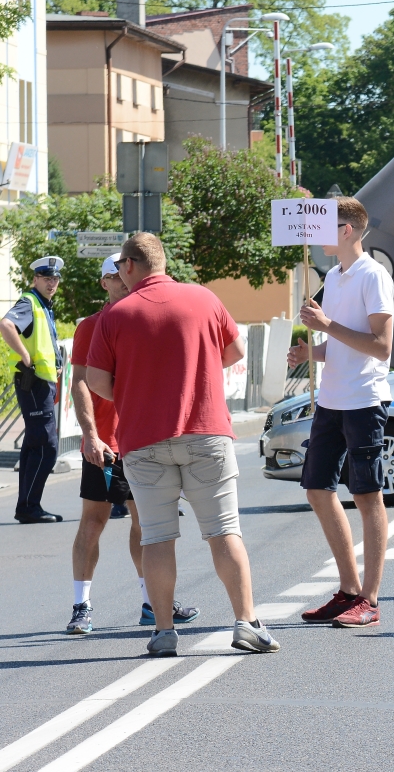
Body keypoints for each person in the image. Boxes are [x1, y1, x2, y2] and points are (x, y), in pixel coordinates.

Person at [87, 232, 277, 656]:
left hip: (144, 440)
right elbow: (235, 350)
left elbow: (96, 380)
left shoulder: (116, 314)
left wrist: (137, 393)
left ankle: (164, 632)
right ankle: (247, 623)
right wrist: (195, 375)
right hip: (206, 431)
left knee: (156, 537)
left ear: (129, 265)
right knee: (224, 531)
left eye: (120, 267)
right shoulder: (204, 298)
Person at [66, 254, 200, 635]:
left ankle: (151, 603)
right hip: (106, 443)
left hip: (144, 439)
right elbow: (80, 384)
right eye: (113, 276)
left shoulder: (145, 318)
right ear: (104, 283)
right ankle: (81, 606)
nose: (122, 282)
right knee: (94, 521)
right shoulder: (91, 326)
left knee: (148, 524)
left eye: (125, 274)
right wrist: (91, 435)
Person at [290, 197, 394, 629]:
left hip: (365, 400)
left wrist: (326, 326)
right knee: (317, 489)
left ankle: (370, 599)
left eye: (322, 227)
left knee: (367, 496)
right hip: (331, 399)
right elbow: (340, 343)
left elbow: (381, 346)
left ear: (346, 230)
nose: (315, 236)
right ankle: (348, 590)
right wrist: (311, 352)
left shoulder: (375, 275)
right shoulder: (333, 276)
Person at [1, 256, 65, 523]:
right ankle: (29, 506)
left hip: (41, 383)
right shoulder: (30, 301)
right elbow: (6, 325)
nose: (52, 283)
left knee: (33, 445)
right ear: (35, 279)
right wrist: (26, 357)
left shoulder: (42, 304)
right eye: (46, 278)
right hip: (34, 382)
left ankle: (27, 506)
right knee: (46, 446)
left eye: (55, 279)